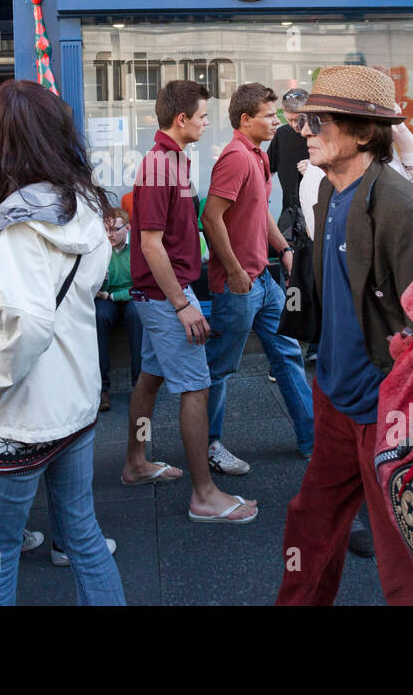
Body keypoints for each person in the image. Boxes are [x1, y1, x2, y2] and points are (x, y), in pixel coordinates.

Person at [0, 80, 123, 605]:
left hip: (22, 415)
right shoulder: (83, 206)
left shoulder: (16, 228)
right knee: (83, 536)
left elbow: (26, 332)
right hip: (76, 401)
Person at [277, 65, 413, 606]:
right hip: (333, 395)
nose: (304, 130)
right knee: (311, 522)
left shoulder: (403, 206)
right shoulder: (328, 194)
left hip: (389, 410)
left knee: (405, 551)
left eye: (318, 120)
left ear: (361, 132)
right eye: (306, 119)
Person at [121, 80, 258, 525]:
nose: (205, 122)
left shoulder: (174, 160)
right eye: (201, 116)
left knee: (150, 378)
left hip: (161, 294)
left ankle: (136, 461)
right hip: (165, 297)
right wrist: (182, 303)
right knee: (196, 388)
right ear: (181, 120)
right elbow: (151, 243)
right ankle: (204, 494)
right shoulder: (160, 165)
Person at [203, 83, 315, 468]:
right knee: (220, 368)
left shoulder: (258, 155)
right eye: (269, 116)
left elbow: (260, 211)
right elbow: (210, 217)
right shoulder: (235, 157)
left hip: (264, 280)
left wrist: (282, 249)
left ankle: (312, 441)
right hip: (239, 285)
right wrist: (234, 271)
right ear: (246, 119)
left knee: (287, 356)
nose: (278, 121)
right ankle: (210, 447)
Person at [94, 206, 142, 412]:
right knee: (98, 316)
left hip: (131, 295)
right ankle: (101, 388)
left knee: (137, 315)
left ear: (128, 228)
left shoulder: (138, 248)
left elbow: (141, 284)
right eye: (106, 230)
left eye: (114, 230)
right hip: (107, 296)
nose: (109, 235)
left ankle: (140, 386)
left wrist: (114, 295)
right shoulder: (100, 248)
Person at [268, 86, 311, 247]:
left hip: (317, 214)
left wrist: (315, 169)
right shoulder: (282, 134)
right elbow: (267, 171)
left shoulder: (323, 134)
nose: (294, 125)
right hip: (290, 215)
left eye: (299, 119)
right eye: (289, 119)